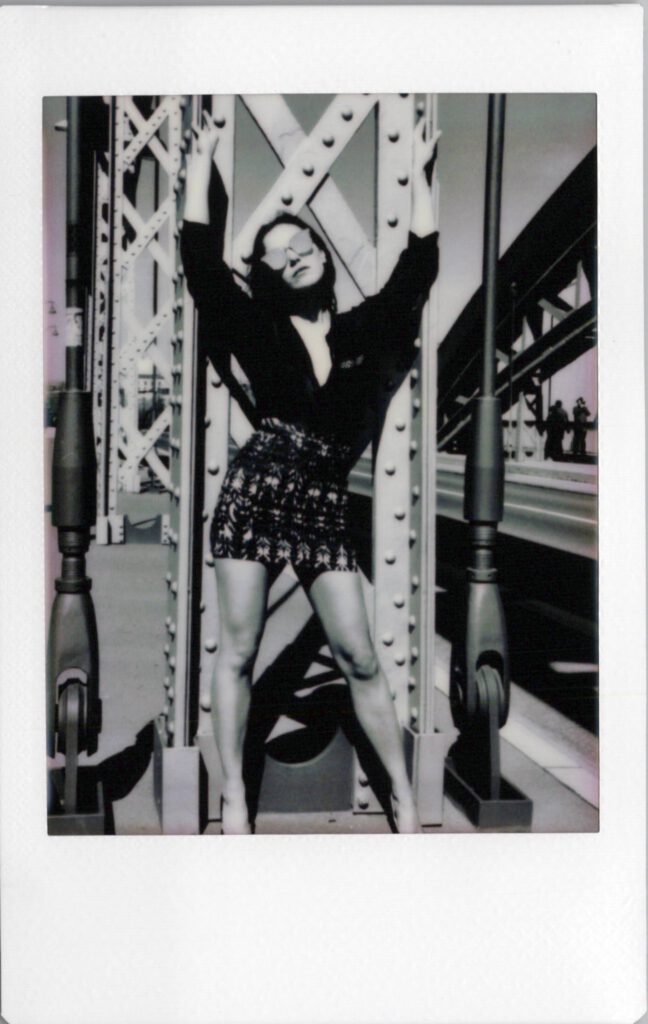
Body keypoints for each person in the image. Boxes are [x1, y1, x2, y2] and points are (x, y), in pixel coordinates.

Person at [181, 109, 440, 834]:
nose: (293, 257)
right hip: (256, 496)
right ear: (266, 275)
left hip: (323, 507)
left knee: (360, 656)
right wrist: (200, 166)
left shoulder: (362, 329)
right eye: (277, 255)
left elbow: (418, 268)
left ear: (322, 252)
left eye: (302, 245)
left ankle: (402, 797)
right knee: (238, 651)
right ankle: (235, 795)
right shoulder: (257, 328)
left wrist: (420, 179)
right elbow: (202, 265)